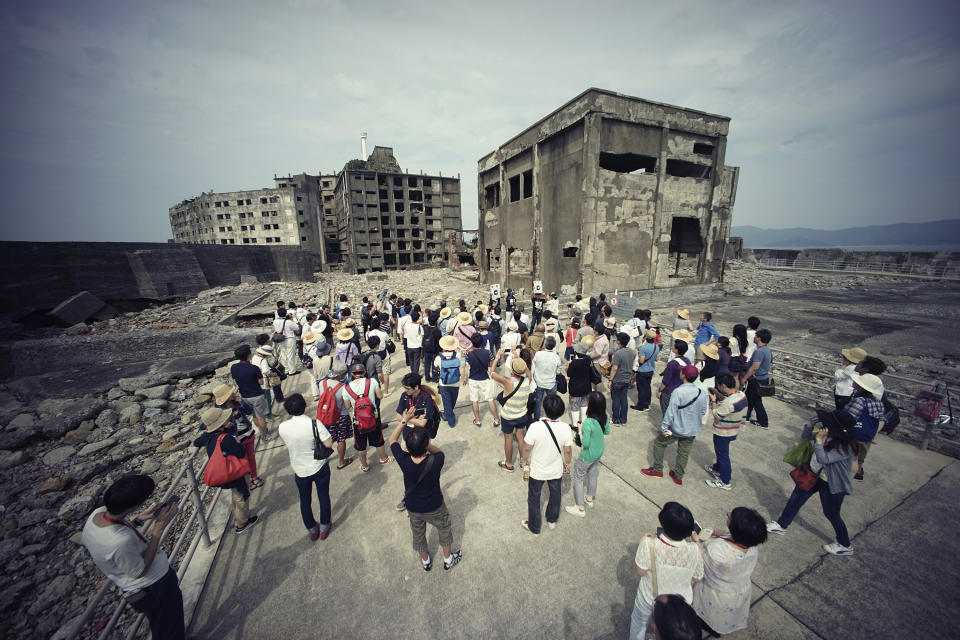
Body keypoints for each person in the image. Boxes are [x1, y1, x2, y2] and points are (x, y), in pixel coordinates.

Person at [81, 475, 184, 640]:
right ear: (134, 505)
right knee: (169, 626)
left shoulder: (97, 514)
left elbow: (115, 529)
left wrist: (138, 519)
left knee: (163, 623)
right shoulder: (119, 541)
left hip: (145, 588)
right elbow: (139, 571)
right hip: (153, 587)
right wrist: (159, 528)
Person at [767, 409, 858, 555]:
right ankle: (781, 524)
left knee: (831, 514)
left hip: (831, 484)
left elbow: (824, 459)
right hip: (815, 475)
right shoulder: (829, 435)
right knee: (795, 500)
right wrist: (810, 425)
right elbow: (805, 438)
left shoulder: (846, 447)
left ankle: (845, 544)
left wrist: (819, 440)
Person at [388, 414, 462, 571]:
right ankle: (448, 560)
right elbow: (438, 451)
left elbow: (392, 440)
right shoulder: (437, 460)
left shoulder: (404, 460)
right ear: (426, 444)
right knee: (444, 529)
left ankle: (426, 561)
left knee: (418, 534)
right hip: (435, 506)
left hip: (413, 508)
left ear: (408, 447)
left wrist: (404, 421)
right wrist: (426, 443)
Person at [630, 502, 704, 640]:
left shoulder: (649, 544)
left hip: (649, 598)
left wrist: (642, 542)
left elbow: (641, 571)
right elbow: (698, 577)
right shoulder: (695, 550)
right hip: (679, 606)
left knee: (639, 624)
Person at [692, 507, 767, 636]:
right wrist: (715, 532)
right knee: (723, 616)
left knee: (710, 613)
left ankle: (708, 625)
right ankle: (716, 630)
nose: (727, 515)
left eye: (729, 517)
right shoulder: (751, 545)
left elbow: (702, 558)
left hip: (716, 593)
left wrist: (697, 541)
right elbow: (730, 536)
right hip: (738, 590)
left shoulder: (717, 549)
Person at [278, 393, 334, 541]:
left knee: (305, 500)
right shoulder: (314, 424)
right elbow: (328, 443)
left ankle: (312, 529)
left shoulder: (282, 427)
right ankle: (324, 526)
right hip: (318, 466)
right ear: (305, 406)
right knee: (323, 497)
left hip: (300, 470)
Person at [194, 407, 258, 534]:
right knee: (242, 495)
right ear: (221, 423)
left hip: (226, 474)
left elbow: (196, 442)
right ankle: (242, 523)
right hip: (235, 473)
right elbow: (240, 451)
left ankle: (238, 518)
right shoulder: (225, 438)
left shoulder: (207, 437)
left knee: (235, 495)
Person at [643, 365, 708, 485]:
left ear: (683, 375)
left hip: (677, 428)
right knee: (684, 452)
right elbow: (703, 411)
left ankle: (657, 469)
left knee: (659, 443)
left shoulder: (678, 391)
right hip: (692, 429)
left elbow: (670, 411)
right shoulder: (701, 392)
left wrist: (664, 427)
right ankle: (678, 475)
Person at [520, 394, 573, 534]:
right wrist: (567, 463)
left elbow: (526, 448)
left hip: (537, 470)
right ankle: (552, 520)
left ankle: (534, 526)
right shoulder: (566, 428)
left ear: (544, 409)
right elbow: (567, 452)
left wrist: (524, 460)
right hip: (555, 469)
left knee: (534, 498)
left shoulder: (535, 427)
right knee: (556, 495)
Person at [565, 391, 610, 517]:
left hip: (588, 455)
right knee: (593, 473)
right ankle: (589, 498)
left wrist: (580, 431)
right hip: (599, 451)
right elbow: (607, 431)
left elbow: (585, 442)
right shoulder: (604, 416)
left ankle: (580, 508)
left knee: (578, 477)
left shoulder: (588, 422)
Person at [213, 383, 263, 490]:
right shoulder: (218, 410)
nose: (233, 394)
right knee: (242, 461)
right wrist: (224, 425)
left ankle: (254, 477)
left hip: (247, 434)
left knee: (251, 458)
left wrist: (242, 402)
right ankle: (248, 481)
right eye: (230, 393)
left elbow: (249, 411)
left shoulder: (236, 402)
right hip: (236, 439)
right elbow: (205, 426)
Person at [343, 362, 391, 473]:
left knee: (360, 445)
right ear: (364, 372)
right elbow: (380, 396)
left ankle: (364, 466)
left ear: (353, 374)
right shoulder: (372, 381)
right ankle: (383, 459)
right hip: (373, 417)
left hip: (358, 421)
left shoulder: (346, 388)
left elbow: (347, 406)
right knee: (378, 440)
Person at [703, 374, 748, 491]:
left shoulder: (728, 403)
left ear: (723, 386)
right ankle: (717, 468)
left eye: (719, 386)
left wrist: (713, 401)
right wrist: (718, 394)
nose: (718, 388)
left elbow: (716, 414)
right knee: (720, 452)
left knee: (723, 455)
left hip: (723, 432)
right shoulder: (741, 395)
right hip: (734, 429)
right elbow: (728, 401)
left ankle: (725, 481)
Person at [490, 353, 532, 471]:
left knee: (508, 439)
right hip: (522, 414)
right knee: (520, 437)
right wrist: (520, 361)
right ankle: (523, 462)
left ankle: (508, 464)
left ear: (512, 369)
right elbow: (528, 372)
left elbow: (492, 372)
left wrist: (497, 356)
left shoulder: (507, 381)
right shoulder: (527, 380)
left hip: (508, 416)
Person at [844, 372, 885, 481]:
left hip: (852, 436)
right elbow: (882, 420)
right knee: (856, 459)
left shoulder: (859, 401)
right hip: (865, 437)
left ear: (861, 387)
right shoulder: (878, 403)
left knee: (844, 458)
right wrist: (873, 435)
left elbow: (846, 418)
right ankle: (848, 481)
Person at [315, 357, 354, 470]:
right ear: (341, 375)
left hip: (325, 416)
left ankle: (323, 458)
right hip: (341, 417)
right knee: (341, 439)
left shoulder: (322, 383)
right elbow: (347, 405)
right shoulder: (343, 388)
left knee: (326, 438)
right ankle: (341, 461)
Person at [230, 345, 270, 441]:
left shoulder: (234, 367)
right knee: (261, 417)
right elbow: (261, 382)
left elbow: (236, 380)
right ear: (249, 355)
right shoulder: (254, 368)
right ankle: (264, 436)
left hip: (244, 396)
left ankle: (262, 430)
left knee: (254, 416)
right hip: (257, 395)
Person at [464, 332, 499, 428]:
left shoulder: (469, 354)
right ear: (482, 342)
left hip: (473, 379)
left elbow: (469, 367)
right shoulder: (488, 352)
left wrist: (466, 378)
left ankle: (478, 420)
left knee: (475, 400)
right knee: (490, 399)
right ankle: (496, 419)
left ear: (472, 342)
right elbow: (490, 365)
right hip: (485, 378)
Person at [743, 328, 773, 429]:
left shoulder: (759, 352)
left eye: (755, 336)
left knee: (756, 401)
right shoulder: (767, 350)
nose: (754, 338)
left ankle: (763, 421)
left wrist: (745, 378)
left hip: (756, 379)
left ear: (759, 338)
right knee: (750, 398)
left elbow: (755, 367)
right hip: (762, 378)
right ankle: (746, 416)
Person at [567, 337, 598, 427]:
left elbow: (569, 374)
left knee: (574, 406)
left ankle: (576, 425)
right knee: (584, 405)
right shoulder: (588, 360)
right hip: (586, 387)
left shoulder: (574, 363)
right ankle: (584, 423)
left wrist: (570, 364)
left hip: (575, 388)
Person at [432, 335, 462, 428]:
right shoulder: (458, 355)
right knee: (452, 401)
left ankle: (451, 421)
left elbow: (435, 366)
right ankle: (447, 413)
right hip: (456, 383)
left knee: (447, 402)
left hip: (444, 383)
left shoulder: (439, 358)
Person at [532, 336, 563, 421]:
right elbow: (558, 371)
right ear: (554, 346)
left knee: (538, 402)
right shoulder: (556, 357)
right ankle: (551, 418)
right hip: (551, 383)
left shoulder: (538, 354)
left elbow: (533, 366)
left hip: (539, 382)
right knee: (552, 403)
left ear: (545, 344)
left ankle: (536, 419)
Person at [608, 332, 636, 425]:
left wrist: (610, 380)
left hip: (617, 379)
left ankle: (615, 419)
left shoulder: (618, 353)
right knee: (624, 399)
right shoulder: (632, 352)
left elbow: (614, 368)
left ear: (619, 341)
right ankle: (623, 419)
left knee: (616, 400)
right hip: (627, 379)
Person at [252, 336, 285, 416]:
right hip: (265, 382)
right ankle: (269, 415)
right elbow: (266, 371)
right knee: (268, 399)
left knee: (264, 399)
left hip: (258, 381)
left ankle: (266, 413)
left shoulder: (255, 357)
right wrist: (273, 374)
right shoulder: (263, 361)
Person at [656, 340, 691, 413]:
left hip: (669, 391)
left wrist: (660, 390)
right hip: (681, 391)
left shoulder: (672, 364)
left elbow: (665, 381)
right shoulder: (687, 361)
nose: (672, 346)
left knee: (667, 413)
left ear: (676, 350)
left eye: (673, 346)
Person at [633, 329, 661, 412]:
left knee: (641, 388)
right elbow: (656, 359)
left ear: (646, 337)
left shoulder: (643, 347)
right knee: (647, 387)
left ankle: (640, 406)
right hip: (651, 369)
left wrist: (637, 354)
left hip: (643, 370)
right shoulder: (656, 347)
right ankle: (647, 404)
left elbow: (641, 361)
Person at [421, 313, 442, 383]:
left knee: (427, 364)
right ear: (436, 322)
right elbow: (440, 340)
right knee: (434, 364)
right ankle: (434, 378)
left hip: (426, 349)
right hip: (434, 349)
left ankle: (427, 378)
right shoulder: (437, 331)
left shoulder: (425, 328)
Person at [403, 310, 425, 376]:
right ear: (418, 318)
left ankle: (413, 372)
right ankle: (415, 374)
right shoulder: (419, 327)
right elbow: (422, 335)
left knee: (411, 360)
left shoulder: (407, 326)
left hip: (409, 345)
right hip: (417, 346)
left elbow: (406, 335)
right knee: (416, 361)